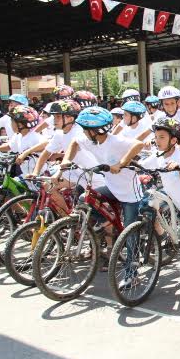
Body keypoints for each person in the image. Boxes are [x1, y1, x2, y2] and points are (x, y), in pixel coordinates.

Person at [60, 107, 144, 262]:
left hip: (129, 192)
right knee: (84, 199)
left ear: (95, 130)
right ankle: (106, 222)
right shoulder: (90, 141)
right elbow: (74, 143)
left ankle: (131, 271)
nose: (83, 133)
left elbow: (139, 144)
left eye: (86, 130)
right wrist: (66, 161)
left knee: (129, 231)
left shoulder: (115, 141)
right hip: (111, 187)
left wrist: (122, 163)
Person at [139, 118, 180, 232]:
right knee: (150, 203)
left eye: (162, 137)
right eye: (156, 137)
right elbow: (143, 165)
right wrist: (129, 165)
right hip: (169, 193)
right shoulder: (158, 154)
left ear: (173, 140)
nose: (157, 140)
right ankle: (161, 235)